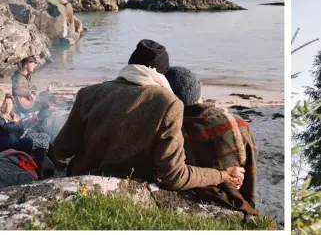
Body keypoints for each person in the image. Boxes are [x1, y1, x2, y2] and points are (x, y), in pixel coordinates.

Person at [54, 39, 244, 191]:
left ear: (130, 65)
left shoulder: (88, 93)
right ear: (163, 74)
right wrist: (223, 176)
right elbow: (174, 176)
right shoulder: (169, 104)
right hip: (124, 189)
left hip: (80, 180)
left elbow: (62, 149)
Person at [165, 66, 258, 216]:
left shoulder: (174, 130)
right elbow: (250, 176)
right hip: (240, 202)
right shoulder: (239, 124)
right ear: (199, 91)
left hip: (199, 198)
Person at [0, 86, 63, 179]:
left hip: (13, 139)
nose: (6, 104)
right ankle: (40, 170)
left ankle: (54, 162)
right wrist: (15, 123)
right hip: (9, 144)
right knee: (43, 143)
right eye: (4, 101)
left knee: (45, 137)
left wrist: (24, 123)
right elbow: (6, 130)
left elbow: (14, 129)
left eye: (10, 103)